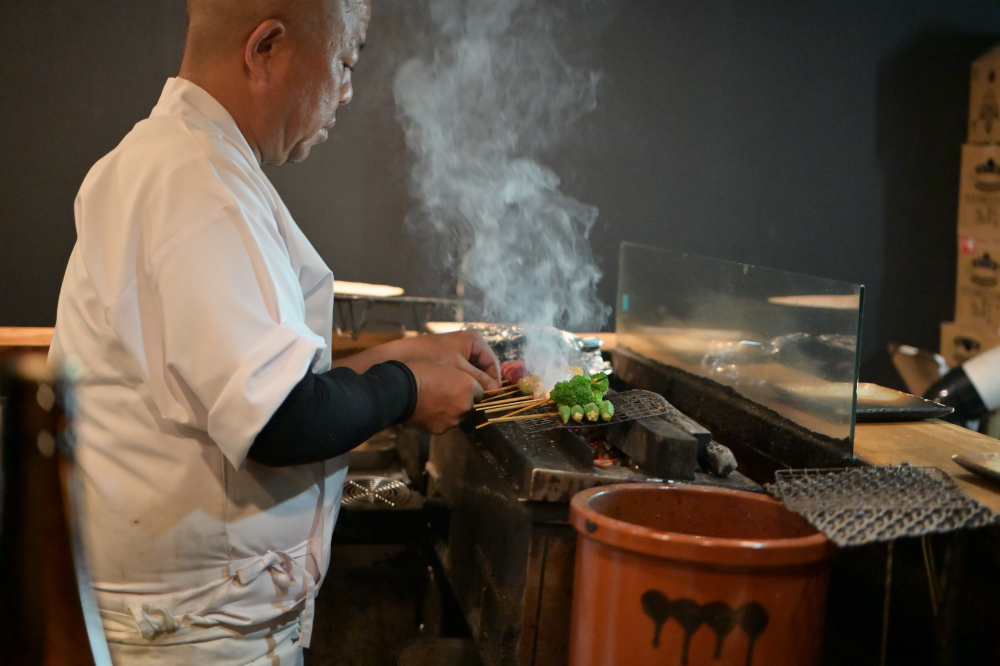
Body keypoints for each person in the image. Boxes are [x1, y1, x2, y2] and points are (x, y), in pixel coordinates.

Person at [47, 0, 499, 664]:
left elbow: (258, 377)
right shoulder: (192, 180)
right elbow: (280, 419)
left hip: (191, 620)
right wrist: (405, 389)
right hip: (187, 635)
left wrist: (407, 353)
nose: (348, 91)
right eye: (344, 61)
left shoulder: (193, 164)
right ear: (266, 49)